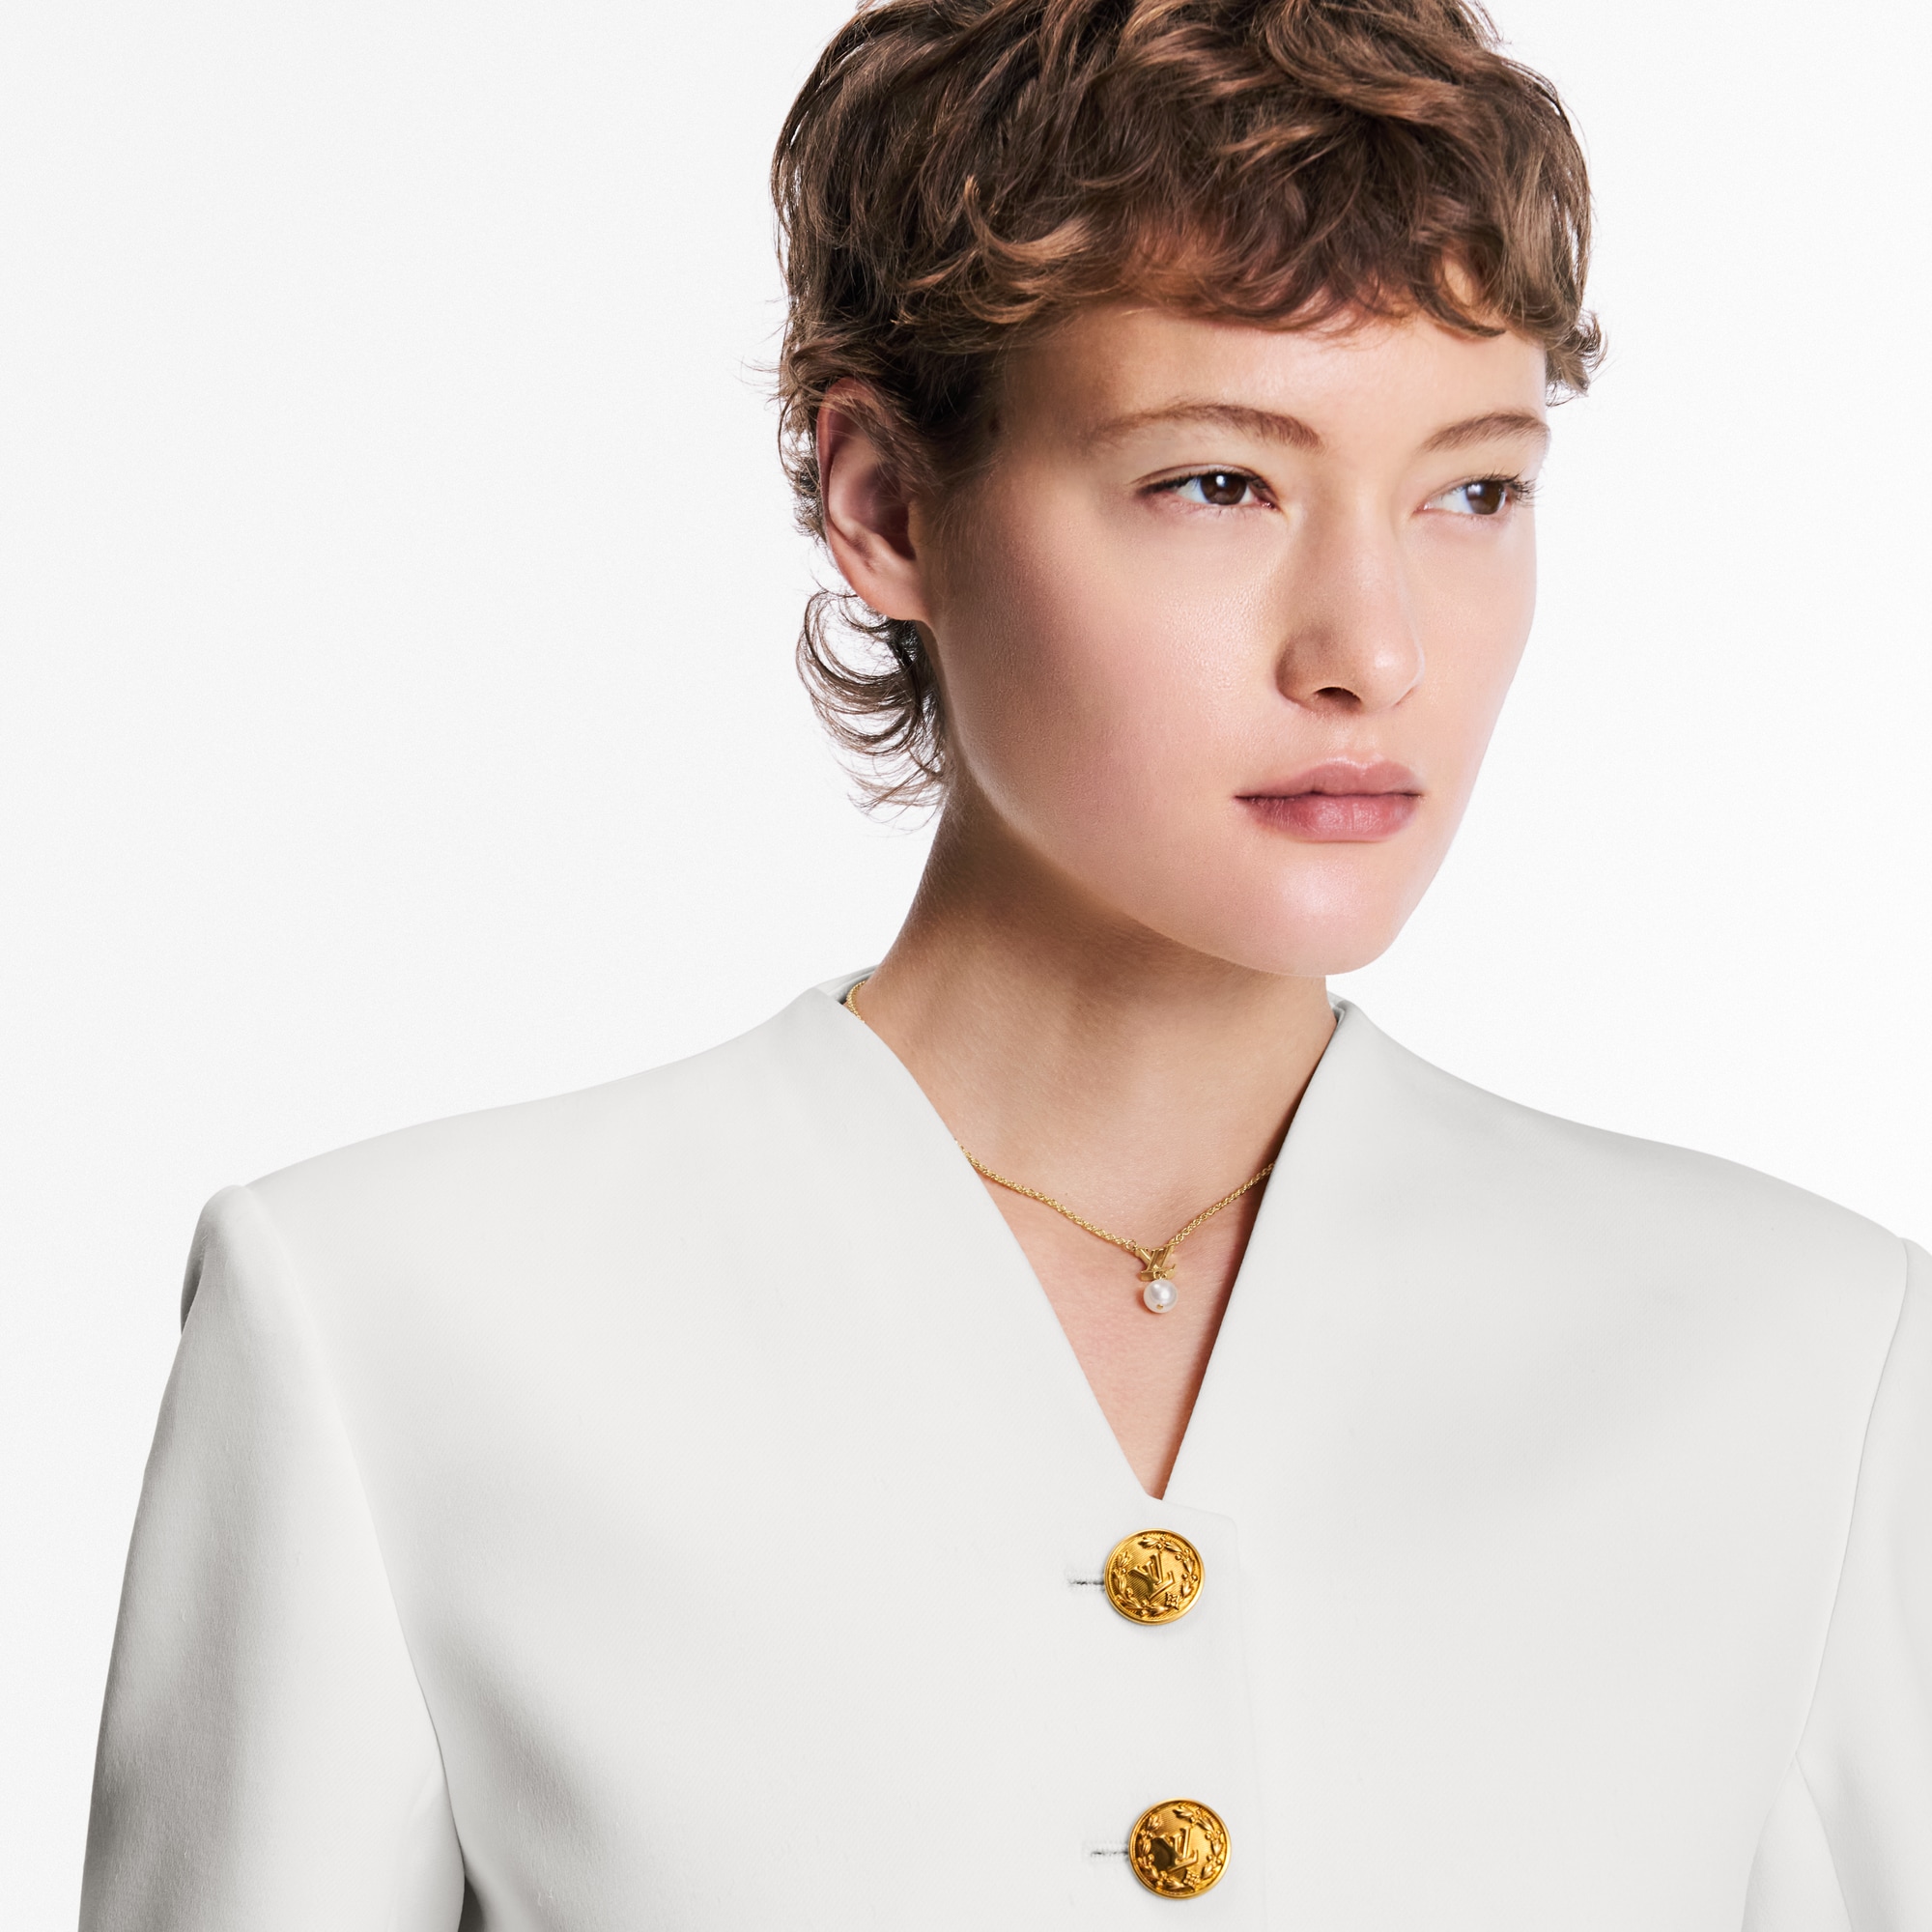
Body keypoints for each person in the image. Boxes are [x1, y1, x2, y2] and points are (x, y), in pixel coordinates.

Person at [80, 0, 1929, 1925]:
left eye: (1474, 488)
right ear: (884, 503)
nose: (1373, 649)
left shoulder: (1807, 1364)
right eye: (1216, 482)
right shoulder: (396, 1326)